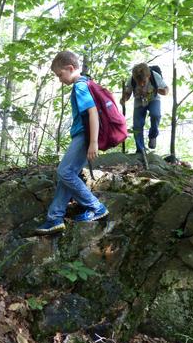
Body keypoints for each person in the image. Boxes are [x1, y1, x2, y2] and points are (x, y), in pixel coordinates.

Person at [36, 51, 109, 234]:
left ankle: (96, 207)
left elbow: (92, 113)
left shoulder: (80, 87)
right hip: (83, 135)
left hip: (83, 135)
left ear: (70, 68)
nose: (60, 79)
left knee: (64, 172)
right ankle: (54, 218)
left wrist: (93, 142)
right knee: (66, 176)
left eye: (60, 75)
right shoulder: (83, 85)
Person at [120, 63, 169, 153]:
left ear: (148, 76)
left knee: (156, 115)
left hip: (153, 98)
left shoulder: (155, 76)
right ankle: (140, 149)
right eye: (139, 82)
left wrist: (155, 89)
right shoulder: (131, 80)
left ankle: (153, 135)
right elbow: (128, 93)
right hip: (139, 100)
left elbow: (166, 91)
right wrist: (124, 99)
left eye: (144, 81)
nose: (142, 84)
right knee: (137, 125)